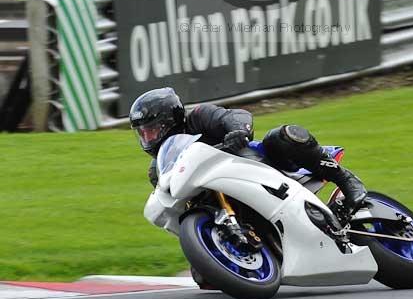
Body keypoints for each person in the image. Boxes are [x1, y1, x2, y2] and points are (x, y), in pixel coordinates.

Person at [129, 87, 367, 211]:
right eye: (143, 133)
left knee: (283, 136)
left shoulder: (200, 117)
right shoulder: (158, 168)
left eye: (153, 129)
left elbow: (234, 116)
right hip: (221, 197)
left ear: (171, 119)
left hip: (261, 164)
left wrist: (238, 132)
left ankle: (345, 179)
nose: (148, 137)